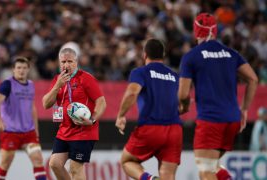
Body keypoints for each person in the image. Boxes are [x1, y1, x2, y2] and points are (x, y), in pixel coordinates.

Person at [178, 13, 258, 180]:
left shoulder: (191, 57)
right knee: (212, 166)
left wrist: (184, 106)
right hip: (232, 120)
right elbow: (253, 79)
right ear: (215, 31)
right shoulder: (231, 54)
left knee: (205, 171)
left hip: (210, 121)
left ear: (195, 32)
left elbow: (183, 94)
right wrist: (244, 110)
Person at [115, 39, 183, 180]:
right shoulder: (175, 76)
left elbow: (132, 93)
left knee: (127, 161)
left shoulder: (140, 72)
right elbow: (183, 101)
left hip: (151, 127)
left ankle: (149, 179)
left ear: (145, 55)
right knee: (168, 176)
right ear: (163, 55)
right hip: (174, 129)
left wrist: (121, 115)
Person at [42, 46, 106, 180]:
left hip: (84, 130)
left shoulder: (86, 78)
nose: (66, 65)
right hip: (64, 131)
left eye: (70, 61)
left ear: (76, 62)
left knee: (75, 168)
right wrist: (57, 86)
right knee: (55, 164)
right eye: (63, 62)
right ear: (59, 63)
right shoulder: (57, 80)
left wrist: (92, 120)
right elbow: (45, 104)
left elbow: (101, 102)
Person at [0, 57, 46, 180]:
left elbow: (32, 108)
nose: (21, 71)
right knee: (6, 163)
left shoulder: (31, 85)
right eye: (18, 68)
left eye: (24, 68)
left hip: (29, 132)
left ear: (28, 70)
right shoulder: (7, 84)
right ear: (13, 69)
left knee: (38, 159)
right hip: (11, 132)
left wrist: (36, 129)